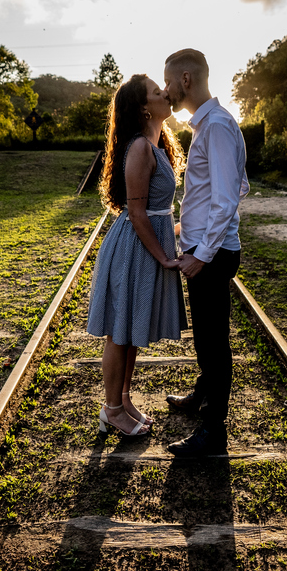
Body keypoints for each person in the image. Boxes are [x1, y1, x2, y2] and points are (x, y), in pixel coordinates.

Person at [86, 74, 188, 436]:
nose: (167, 93)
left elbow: (159, 213)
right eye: (158, 92)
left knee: (130, 329)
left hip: (145, 244)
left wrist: (179, 234)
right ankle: (111, 410)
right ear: (145, 108)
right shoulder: (140, 148)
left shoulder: (158, 144)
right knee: (120, 330)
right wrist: (164, 257)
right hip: (134, 249)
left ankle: (123, 400)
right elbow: (137, 212)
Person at [162, 49, 249, 457]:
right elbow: (235, 187)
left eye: (167, 82)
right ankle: (200, 396)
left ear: (185, 79)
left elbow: (228, 196)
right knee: (206, 337)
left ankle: (214, 433)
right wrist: (188, 225)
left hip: (210, 255)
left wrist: (203, 251)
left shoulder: (214, 126)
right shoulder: (214, 124)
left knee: (213, 343)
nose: (166, 92)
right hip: (205, 245)